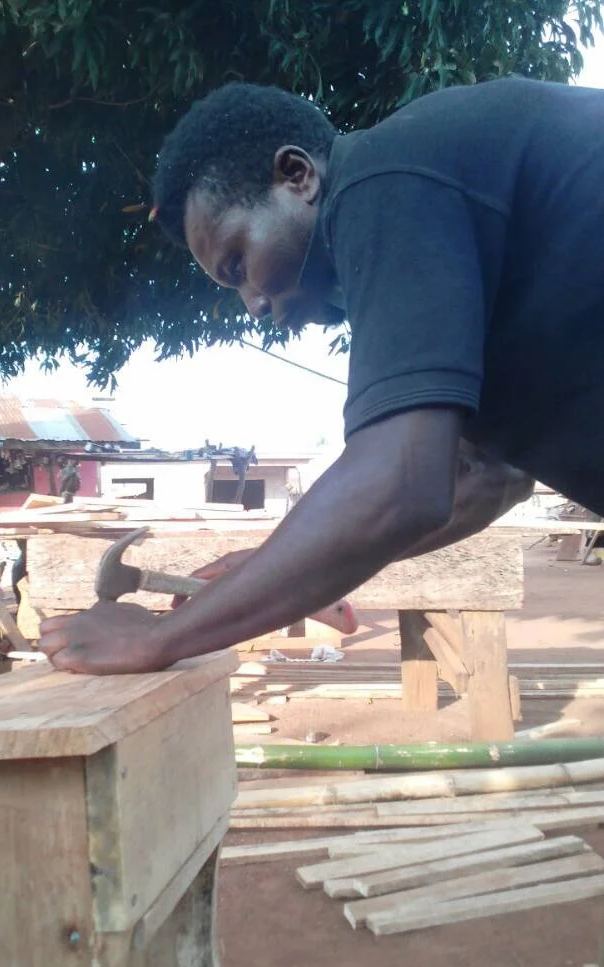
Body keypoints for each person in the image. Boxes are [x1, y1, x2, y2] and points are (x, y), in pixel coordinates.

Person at [40, 75, 604, 676]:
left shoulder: (384, 179)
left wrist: (158, 638)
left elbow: (401, 485)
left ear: (297, 176)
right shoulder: (439, 249)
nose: (252, 304)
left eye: (238, 263)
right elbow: (487, 478)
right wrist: (272, 567)